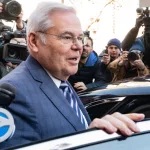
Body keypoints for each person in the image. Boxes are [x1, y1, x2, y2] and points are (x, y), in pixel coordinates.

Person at [0, 2, 145, 149]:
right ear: (34, 41)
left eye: (80, 38)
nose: (78, 46)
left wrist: (93, 135)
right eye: (67, 37)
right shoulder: (12, 96)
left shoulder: (59, 79)